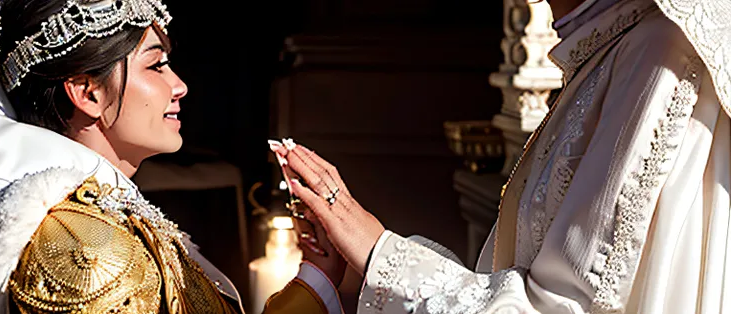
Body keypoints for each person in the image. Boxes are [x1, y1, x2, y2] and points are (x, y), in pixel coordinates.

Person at [270, 0, 731, 312]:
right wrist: (363, 262)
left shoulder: (660, 51)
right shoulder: (611, 46)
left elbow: (562, 308)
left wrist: (379, 254)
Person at [0, 0, 345, 313]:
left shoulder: (106, 221)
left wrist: (316, 274)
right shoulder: (83, 248)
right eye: (156, 65)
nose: (180, 86)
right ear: (89, 93)